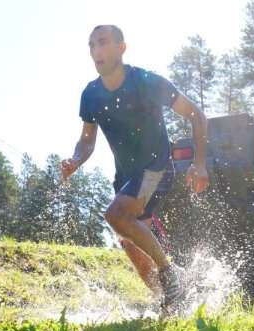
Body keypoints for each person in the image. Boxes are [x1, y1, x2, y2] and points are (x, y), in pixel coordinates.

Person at [60, 24, 209, 315]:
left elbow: (197, 115)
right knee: (133, 248)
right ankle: (174, 303)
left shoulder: (147, 82)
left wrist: (199, 163)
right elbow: (87, 141)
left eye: (102, 43)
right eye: (91, 45)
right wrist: (76, 160)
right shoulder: (91, 94)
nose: (95, 51)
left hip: (157, 168)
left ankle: (171, 274)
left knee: (116, 215)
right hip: (126, 179)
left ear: (121, 48)